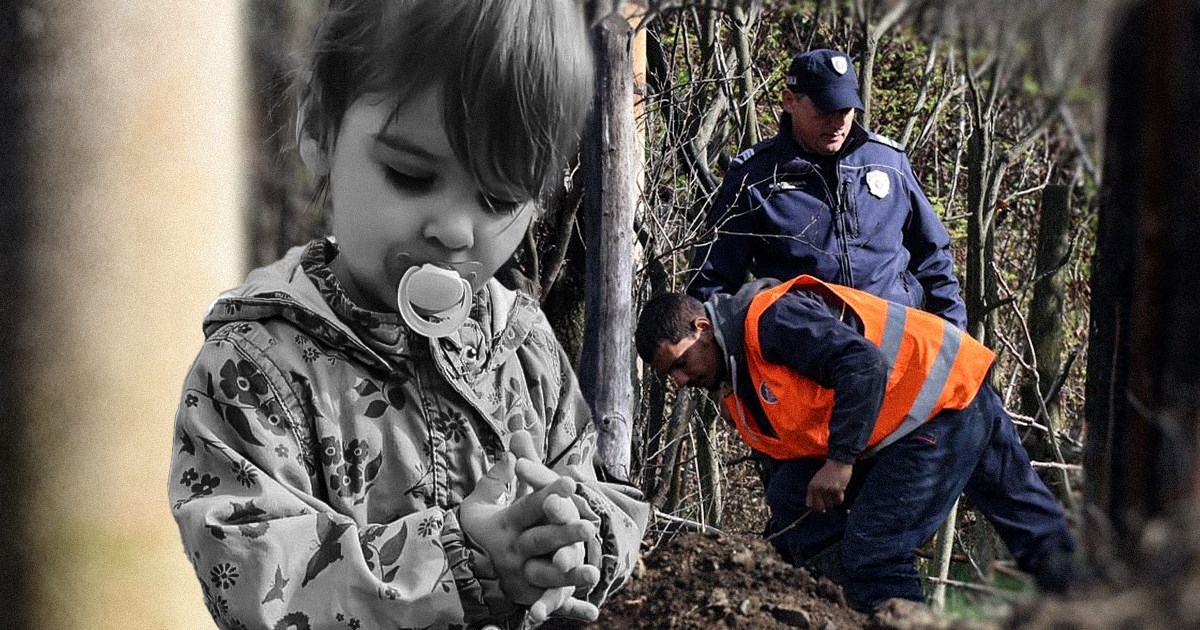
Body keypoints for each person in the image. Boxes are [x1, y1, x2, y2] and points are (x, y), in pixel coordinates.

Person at [168, 2, 649, 629]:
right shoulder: (254, 367)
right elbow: (255, 579)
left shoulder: (522, 345)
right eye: (409, 175)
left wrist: (569, 542)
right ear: (319, 130)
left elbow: (597, 487)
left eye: (499, 197)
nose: (453, 230)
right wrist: (463, 562)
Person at [634, 275, 1076, 612]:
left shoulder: (770, 319)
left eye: (681, 363)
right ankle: (1085, 598)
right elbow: (788, 469)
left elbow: (862, 365)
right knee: (792, 495)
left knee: (874, 550)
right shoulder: (735, 385)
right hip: (926, 408)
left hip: (936, 403)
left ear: (702, 328)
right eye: (668, 376)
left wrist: (841, 462)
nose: (680, 381)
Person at [687, 49, 967, 330]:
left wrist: (955, 338)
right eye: (824, 111)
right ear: (789, 101)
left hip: (898, 343)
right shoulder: (754, 178)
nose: (837, 123)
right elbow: (712, 282)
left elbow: (933, 258)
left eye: (845, 111)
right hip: (806, 356)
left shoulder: (889, 162)